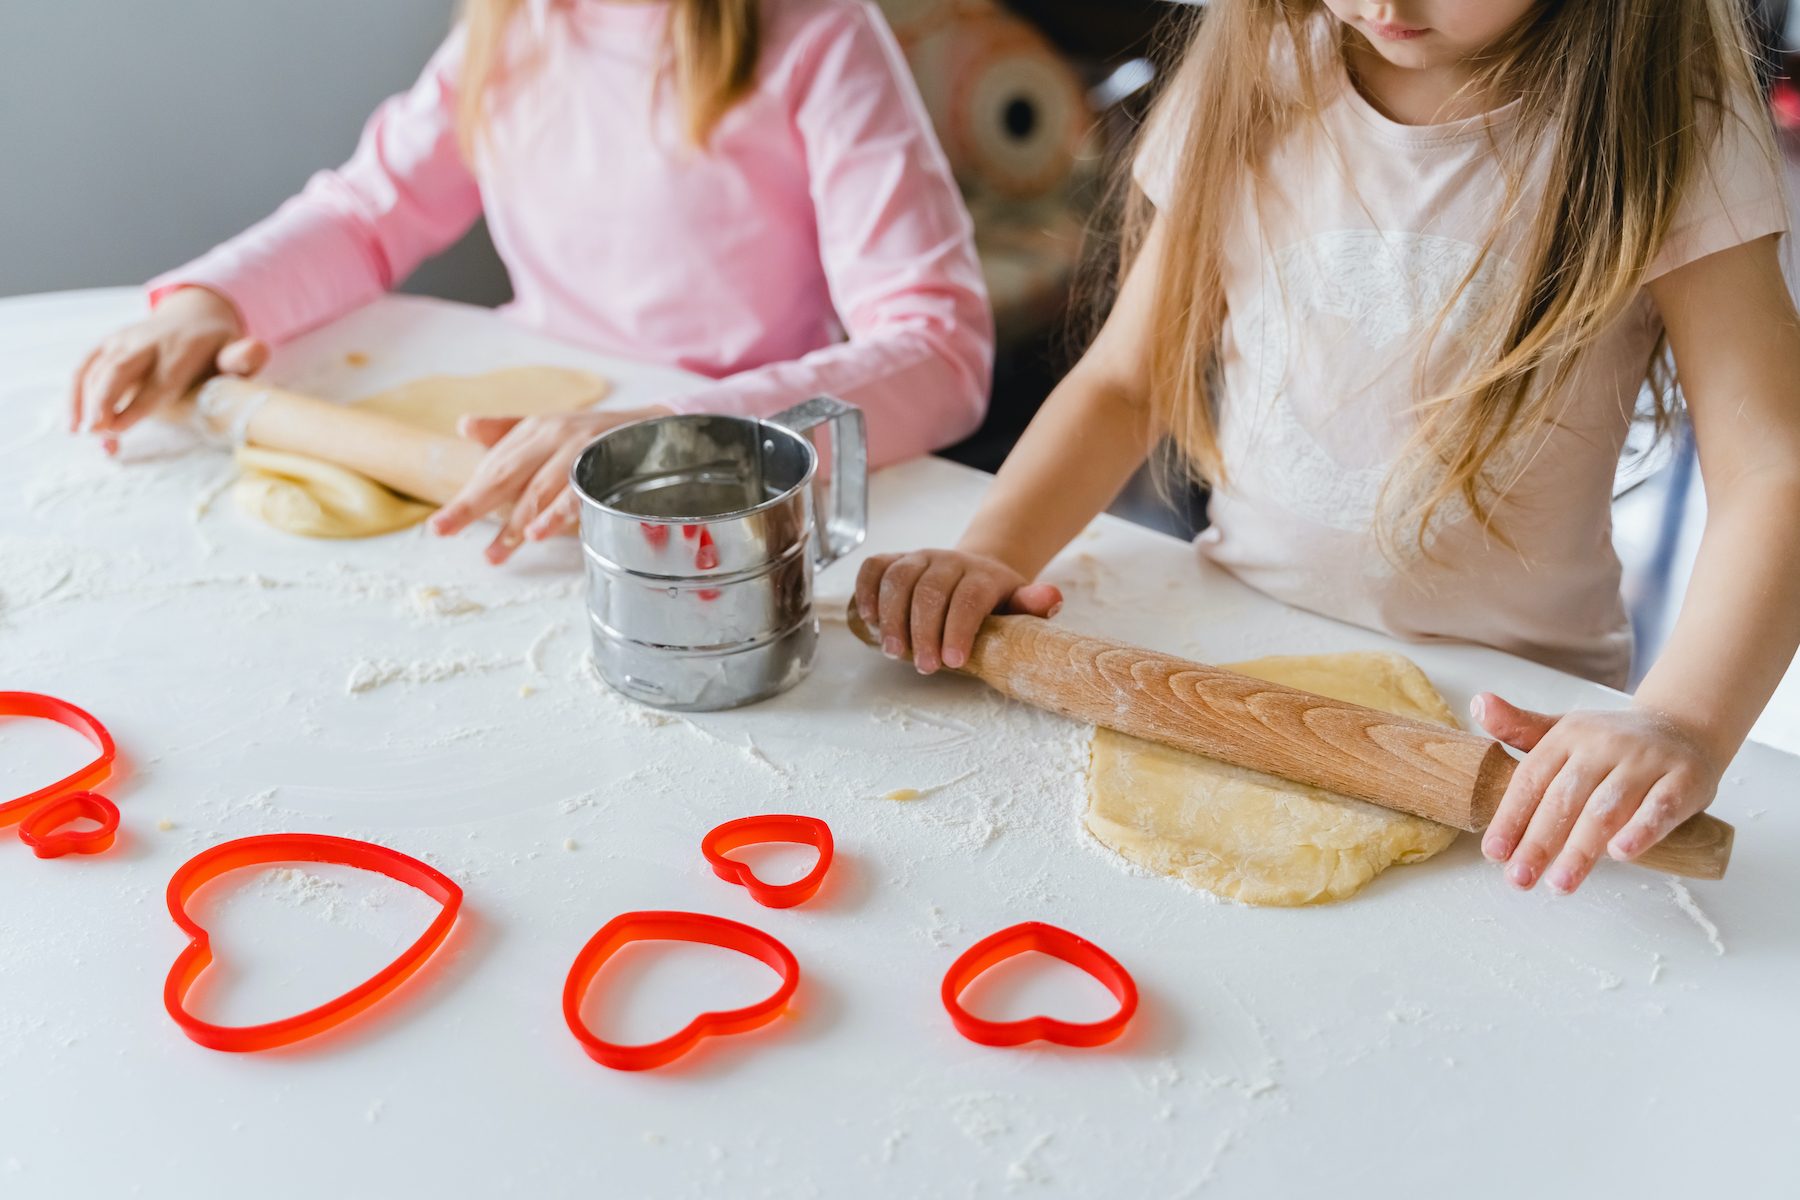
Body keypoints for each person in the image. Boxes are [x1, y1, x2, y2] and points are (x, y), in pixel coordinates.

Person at [857, 0, 1800, 894]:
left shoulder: (1673, 132)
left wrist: (1684, 722)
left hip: (1512, 724)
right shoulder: (1259, 80)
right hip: (1235, 653)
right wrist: (993, 550)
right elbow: (1125, 383)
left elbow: (1772, 473)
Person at [68, 0, 992, 563]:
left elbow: (942, 353)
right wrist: (208, 305)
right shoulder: (516, 24)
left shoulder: (822, 37)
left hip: (723, 480)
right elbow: (366, 213)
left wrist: (677, 435)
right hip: (531, 456)